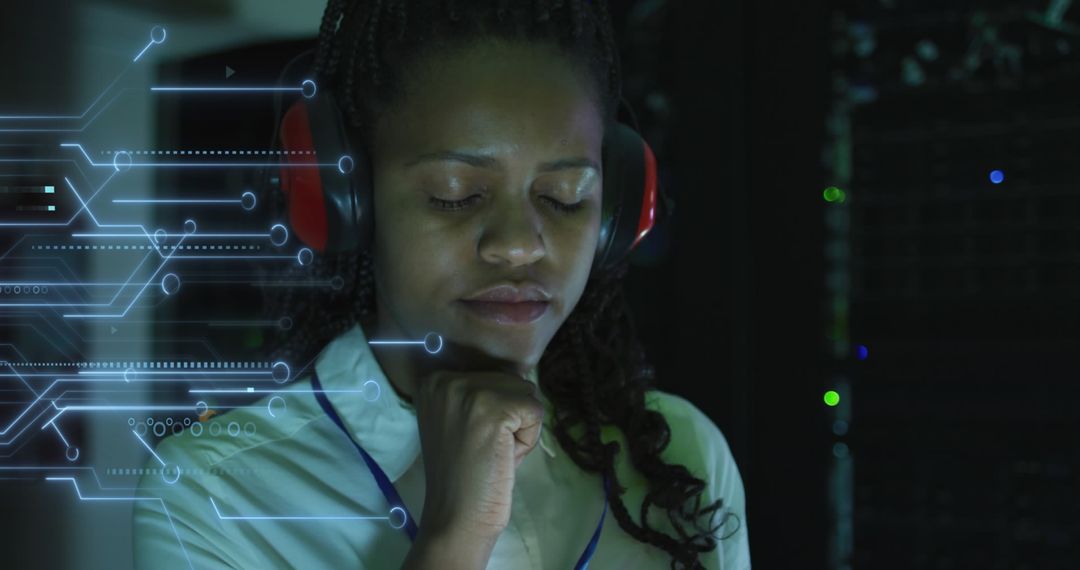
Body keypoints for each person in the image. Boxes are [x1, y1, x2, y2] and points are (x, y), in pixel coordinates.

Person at [133, 1, 751, 568]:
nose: (518, 244)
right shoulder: (214, 496)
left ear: (615, 213)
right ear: (346, 199)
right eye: (455, 195)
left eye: (564, 199)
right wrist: (456, 537)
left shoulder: (681, 457)